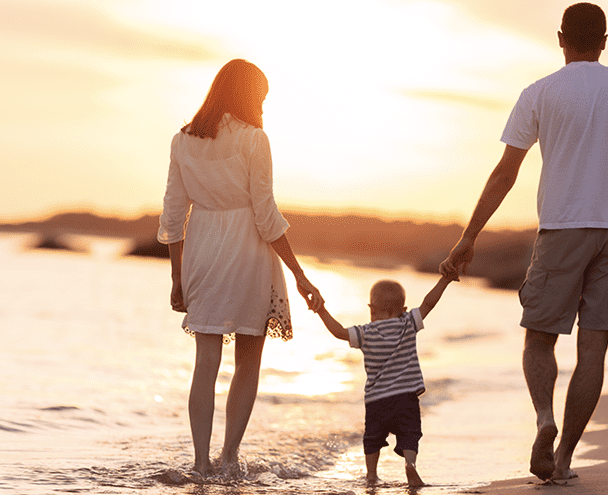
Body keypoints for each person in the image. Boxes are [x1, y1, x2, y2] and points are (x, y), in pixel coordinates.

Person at [439, 2, 608, 483]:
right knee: (593, 351)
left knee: (539, 338)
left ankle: (544, 420)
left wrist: (468, 237)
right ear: (605, 41)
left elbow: (505, 173)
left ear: (560, 37)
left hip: (561, 229)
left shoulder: (539, 93)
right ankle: (566, 459)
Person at [157, 58, 323, 477]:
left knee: (205, 361)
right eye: (261, 98)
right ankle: (228, 458)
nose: (263, 107)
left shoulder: (182, 141)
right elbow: (266, 216)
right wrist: (299, 273)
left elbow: (173, 217)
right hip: (246, 252)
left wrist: (177, 277)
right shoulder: (255, 139)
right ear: (248, 96)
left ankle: (199, 464)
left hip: (202, 252)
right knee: (248, 359)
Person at [312, 275, 457, 487]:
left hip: (377, 401)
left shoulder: (365, 332)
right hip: (406, 397)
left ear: (373, 308)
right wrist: (445, 280)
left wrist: (320, 310)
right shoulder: (408, 323)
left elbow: (338, 332)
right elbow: (428, 303)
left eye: (372, 310)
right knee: (410, 433)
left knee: (372, 439)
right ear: (403, 308)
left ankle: (371, 474)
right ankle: (410, 465)